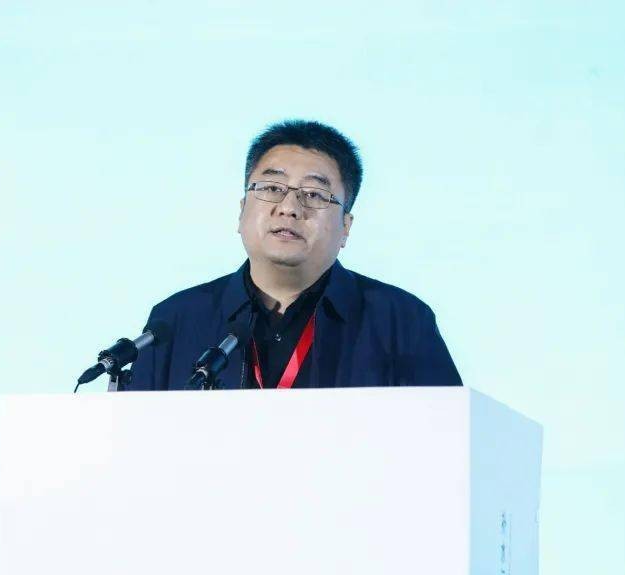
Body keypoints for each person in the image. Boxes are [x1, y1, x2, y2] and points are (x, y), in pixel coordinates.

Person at [128, 119, 462, 391]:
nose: (289, 207)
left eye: (314, 194)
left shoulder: (400, 321)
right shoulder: (174, 321)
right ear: (242, 210)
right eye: (272, 188)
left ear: (345, 227)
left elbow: (447, 439)